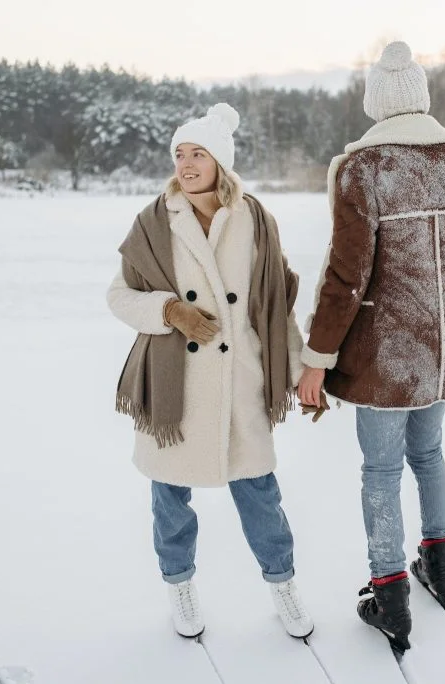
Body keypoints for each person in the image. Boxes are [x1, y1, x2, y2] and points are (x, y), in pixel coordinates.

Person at [296, 42, 445, 651]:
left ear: (377, 104)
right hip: (438, 354)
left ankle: (389, 593)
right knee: (429, 455)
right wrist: (438, 304)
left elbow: (346, 276)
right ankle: (438, 567)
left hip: (383, 359)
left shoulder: (367, 168)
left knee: (381, 471)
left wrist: (318, 357)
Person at [107, 103, 313, 640]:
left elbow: (275, 310)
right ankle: (179, 586)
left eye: (198, 153)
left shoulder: (256, 220)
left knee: (261, 496)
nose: (187, 164)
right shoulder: (153, 222)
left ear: (222, 162)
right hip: (175, 393)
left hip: (242, 381)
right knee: (170, 502)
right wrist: (169, 311)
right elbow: (118, 296)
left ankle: (283, 585)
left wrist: (298, 376)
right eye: (180, 154)